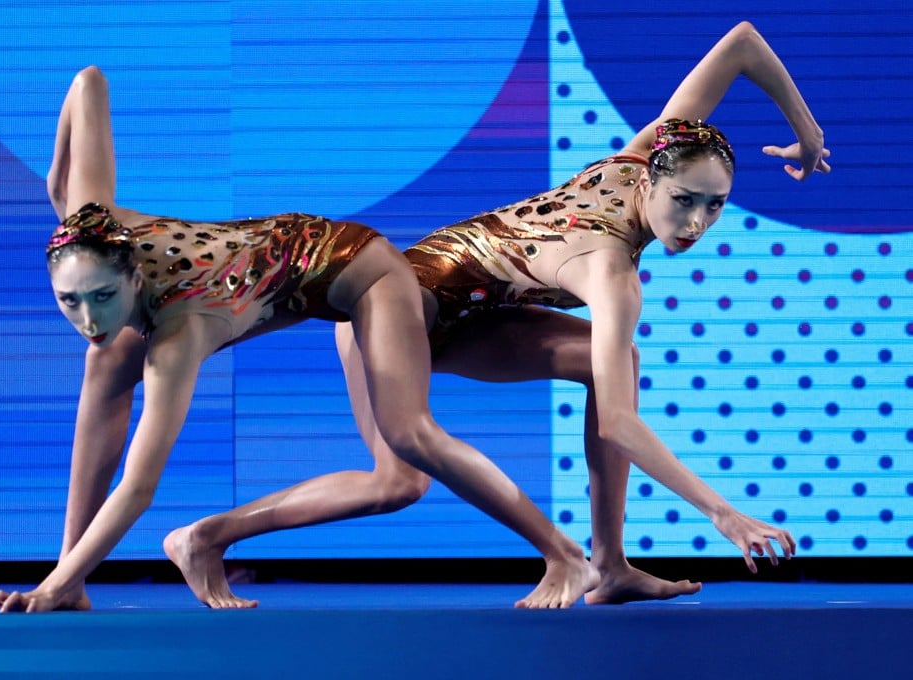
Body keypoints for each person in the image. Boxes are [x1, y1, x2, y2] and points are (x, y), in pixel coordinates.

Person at [160, 21, 828, 607]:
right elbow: (620, 424)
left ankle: (611, 566)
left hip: (468, 313)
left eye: (715, 206)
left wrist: (807, 133)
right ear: (651, 182)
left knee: (613, 362)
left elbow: (742, 43)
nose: (697, 223)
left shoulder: (647, 152)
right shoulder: (611, 272)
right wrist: (724, 515)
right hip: (386, 314)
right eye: (686, 201)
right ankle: (203, 537)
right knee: (397, 484)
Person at [0, 64, 600, 614]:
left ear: (133, 274)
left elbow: (139, 486)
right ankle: (175, 546)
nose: (86, 315)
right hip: (287, 272)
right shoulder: (92, 234)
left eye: (103, 298)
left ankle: (562, 554)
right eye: (68, 301)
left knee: (407, 447)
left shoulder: (181, 335)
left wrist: (52, 586)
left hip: (364, 269)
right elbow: (88, 83)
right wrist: (67, 195)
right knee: (104, 364)